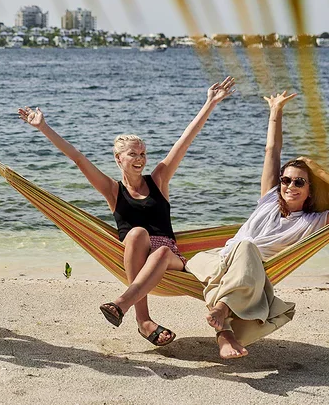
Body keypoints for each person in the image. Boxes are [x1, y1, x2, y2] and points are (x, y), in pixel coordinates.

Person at [18, 77, 235, 346]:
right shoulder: (112, 190)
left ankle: (123, 304)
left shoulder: (159, 180)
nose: (141, 159)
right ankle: (144, 321)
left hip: (171, 258)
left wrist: (209, 104)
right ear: (118, 158)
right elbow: (77, 158)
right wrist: (43, 127)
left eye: (143, 153)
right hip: (135, 254)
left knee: (161, 249)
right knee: (136, 234)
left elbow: (184, 141)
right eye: (133, 154)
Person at [186, 91, 329, 359]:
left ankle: (222, 315)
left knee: (247, 246)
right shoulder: (269, 198)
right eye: (286, 180)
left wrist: (312, 165)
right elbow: (271, 150)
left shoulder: (316, 221)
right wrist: (276, 110)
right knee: (188, 259)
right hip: (219, 260)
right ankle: (225, 328)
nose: (290, 186)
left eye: (299, 182)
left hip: (252, 269)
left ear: (311, 190)